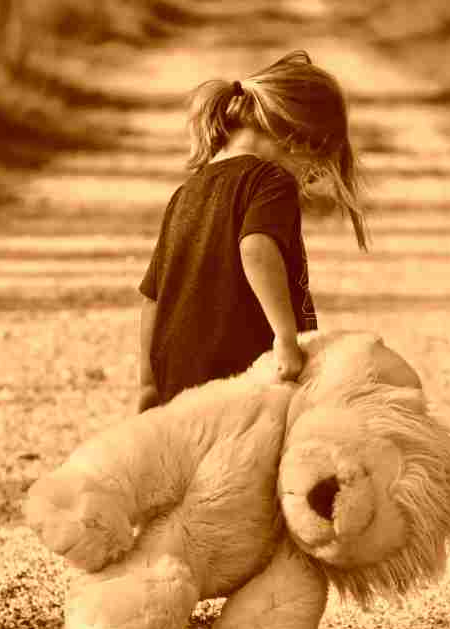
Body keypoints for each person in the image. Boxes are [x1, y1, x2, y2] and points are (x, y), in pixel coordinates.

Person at [136, 50, 367, 413]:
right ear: (300, 140)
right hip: (242, 373)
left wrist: (148, 383)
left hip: (178, 379)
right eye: (314, 169)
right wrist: (286, 339)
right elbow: (257, 250)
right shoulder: (270, 179)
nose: (309, 179)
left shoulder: (187, 191)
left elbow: (153, 296)